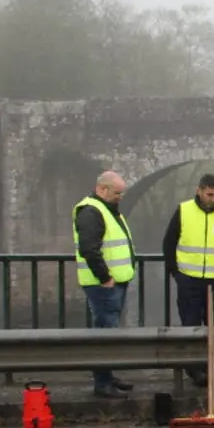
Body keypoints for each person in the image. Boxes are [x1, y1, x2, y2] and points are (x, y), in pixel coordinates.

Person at [162, 173, 214, 388]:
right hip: (189, 280)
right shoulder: (184, 210)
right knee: (190, 325)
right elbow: (169, 244)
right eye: (209, 194)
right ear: (199, 190)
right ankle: (194, 369)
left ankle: (210, 367)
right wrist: (178, 275)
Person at [72, 171, 137, 399]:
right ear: (102, 189)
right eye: (117, 193)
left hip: (113, 284)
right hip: (103, 286)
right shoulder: (91, 211)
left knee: (108, 332)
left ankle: (108, 376)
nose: (121, 196)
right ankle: (102, 383)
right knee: (105, 334)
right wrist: (105, 278)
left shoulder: (106, 209)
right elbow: (89, 249)